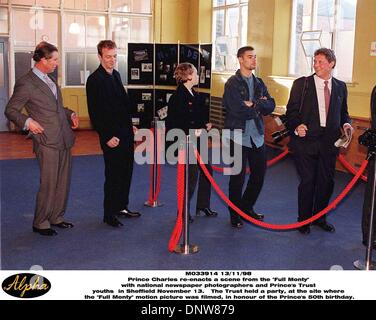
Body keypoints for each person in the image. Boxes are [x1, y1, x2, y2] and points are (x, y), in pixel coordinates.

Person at [5, 41, 79, 236]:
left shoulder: (50, 80)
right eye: (54, 60)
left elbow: (55, 108)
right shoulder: (26, 82)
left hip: (64, 137)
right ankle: (41, 222)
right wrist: (28, 121)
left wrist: (69, 113)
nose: (57, 63)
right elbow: (10, 110)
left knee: (63, 181)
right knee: (48, 182)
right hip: (46, 140)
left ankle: (56, 217)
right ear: (42, 60)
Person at [286, 48, 353, 235]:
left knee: (326, 182)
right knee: (308, 181)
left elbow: (343, 113)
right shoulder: (302, 84)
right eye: (315, 61)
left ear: (331, 64)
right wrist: (297, 125)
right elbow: (290, 112)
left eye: (320, 62)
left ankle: (319, 218)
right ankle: (304, 221)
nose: (316, 65)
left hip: (330, 143)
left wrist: (347, 124)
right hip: (306, 141)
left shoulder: (340, 87)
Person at [86, 40, 140, 228]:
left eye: (115, 56)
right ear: (100, 56)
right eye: (108, 57)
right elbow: (96, 113)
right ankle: (109, 214)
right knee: (113, 176)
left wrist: (130, 125)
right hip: (111, 137)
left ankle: (122, 207)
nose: (112, 60)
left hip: (125, 134)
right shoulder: (94, 80)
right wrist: (107, 136)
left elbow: (123, 105)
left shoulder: (116, 75)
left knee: (126, 172)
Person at [223, 46, 275, 228]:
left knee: (259, 175)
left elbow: (271, 105)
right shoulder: (232, 83)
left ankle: (246, 207)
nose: (254, 60)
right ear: (240, 59)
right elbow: (236, 109)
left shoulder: (259, 82)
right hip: (237, 135)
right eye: (250, 57)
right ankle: (235, 214)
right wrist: (259, 105)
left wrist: (253, 104)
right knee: (237, 178)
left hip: (257, 136)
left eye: (255, 57)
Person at [166, 62, 218, 222]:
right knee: (191, 177)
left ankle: (202, 205)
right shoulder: (178, 97)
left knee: (207, 170)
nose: (197, 76)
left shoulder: (194, 94)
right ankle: (183, 211)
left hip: (197, 141)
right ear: (188, 76)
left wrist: (204, 125)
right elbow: (176, 123)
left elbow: (196, 118)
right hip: (184, 143)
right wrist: (195, 130)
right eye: (195, 73)